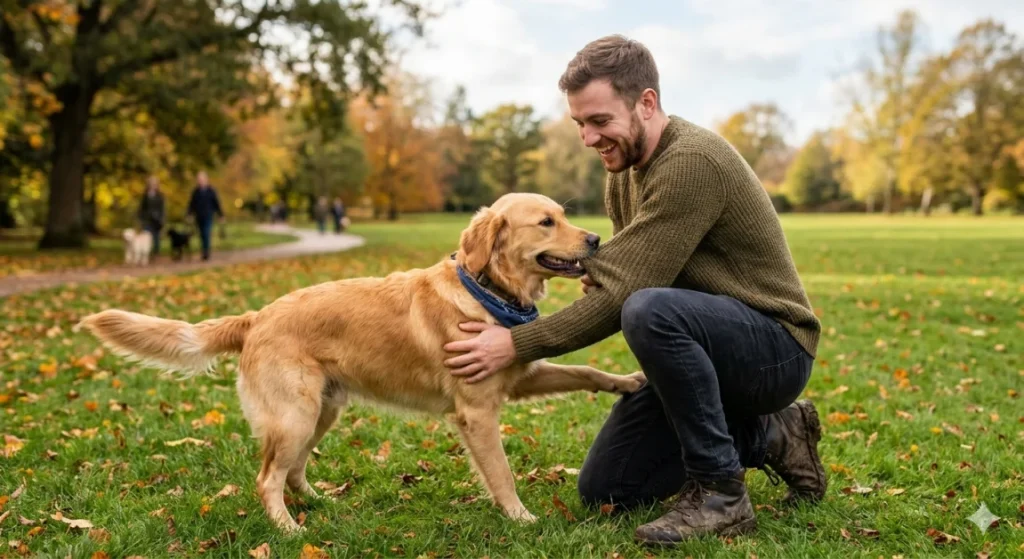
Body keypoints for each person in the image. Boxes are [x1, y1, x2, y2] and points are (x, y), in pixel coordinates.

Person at [442, 35, 825, 545]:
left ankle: (721, 495)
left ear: (646, 103)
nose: (588, 137)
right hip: (706, 343)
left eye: (600, 121)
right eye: (580, 123)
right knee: (610, 487)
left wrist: (514, 344)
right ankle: (774, 434)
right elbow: (624, 271)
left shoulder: (692, 162)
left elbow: (627, 294)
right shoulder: (622, 169)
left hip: (774, 348)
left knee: (647, 310)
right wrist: (605, 277)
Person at [186, 171, 224, 261]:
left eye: (202, 179)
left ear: (206, 180)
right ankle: (204, 250)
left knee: (206, 233)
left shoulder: (211, 191)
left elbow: (216, 203)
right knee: (202, 234)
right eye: (199, 179)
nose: (200, 181)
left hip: (208, 215)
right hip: (199, 216)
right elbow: (191, 204)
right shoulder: (196, 192)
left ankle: (206, 252)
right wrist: (189, 214)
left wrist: (221, 215)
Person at [136, 176, 165, 257]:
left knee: (156, 238)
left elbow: (162, 209)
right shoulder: (145, 195)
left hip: (157, 220)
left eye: (154, 184)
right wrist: (140, 218)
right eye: (151, 184)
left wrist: (161, 219)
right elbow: (142, 208)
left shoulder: (160, 196)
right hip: (147, 220)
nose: (153, 185)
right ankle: (146, 254)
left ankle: (156, 253)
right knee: (146, 237)